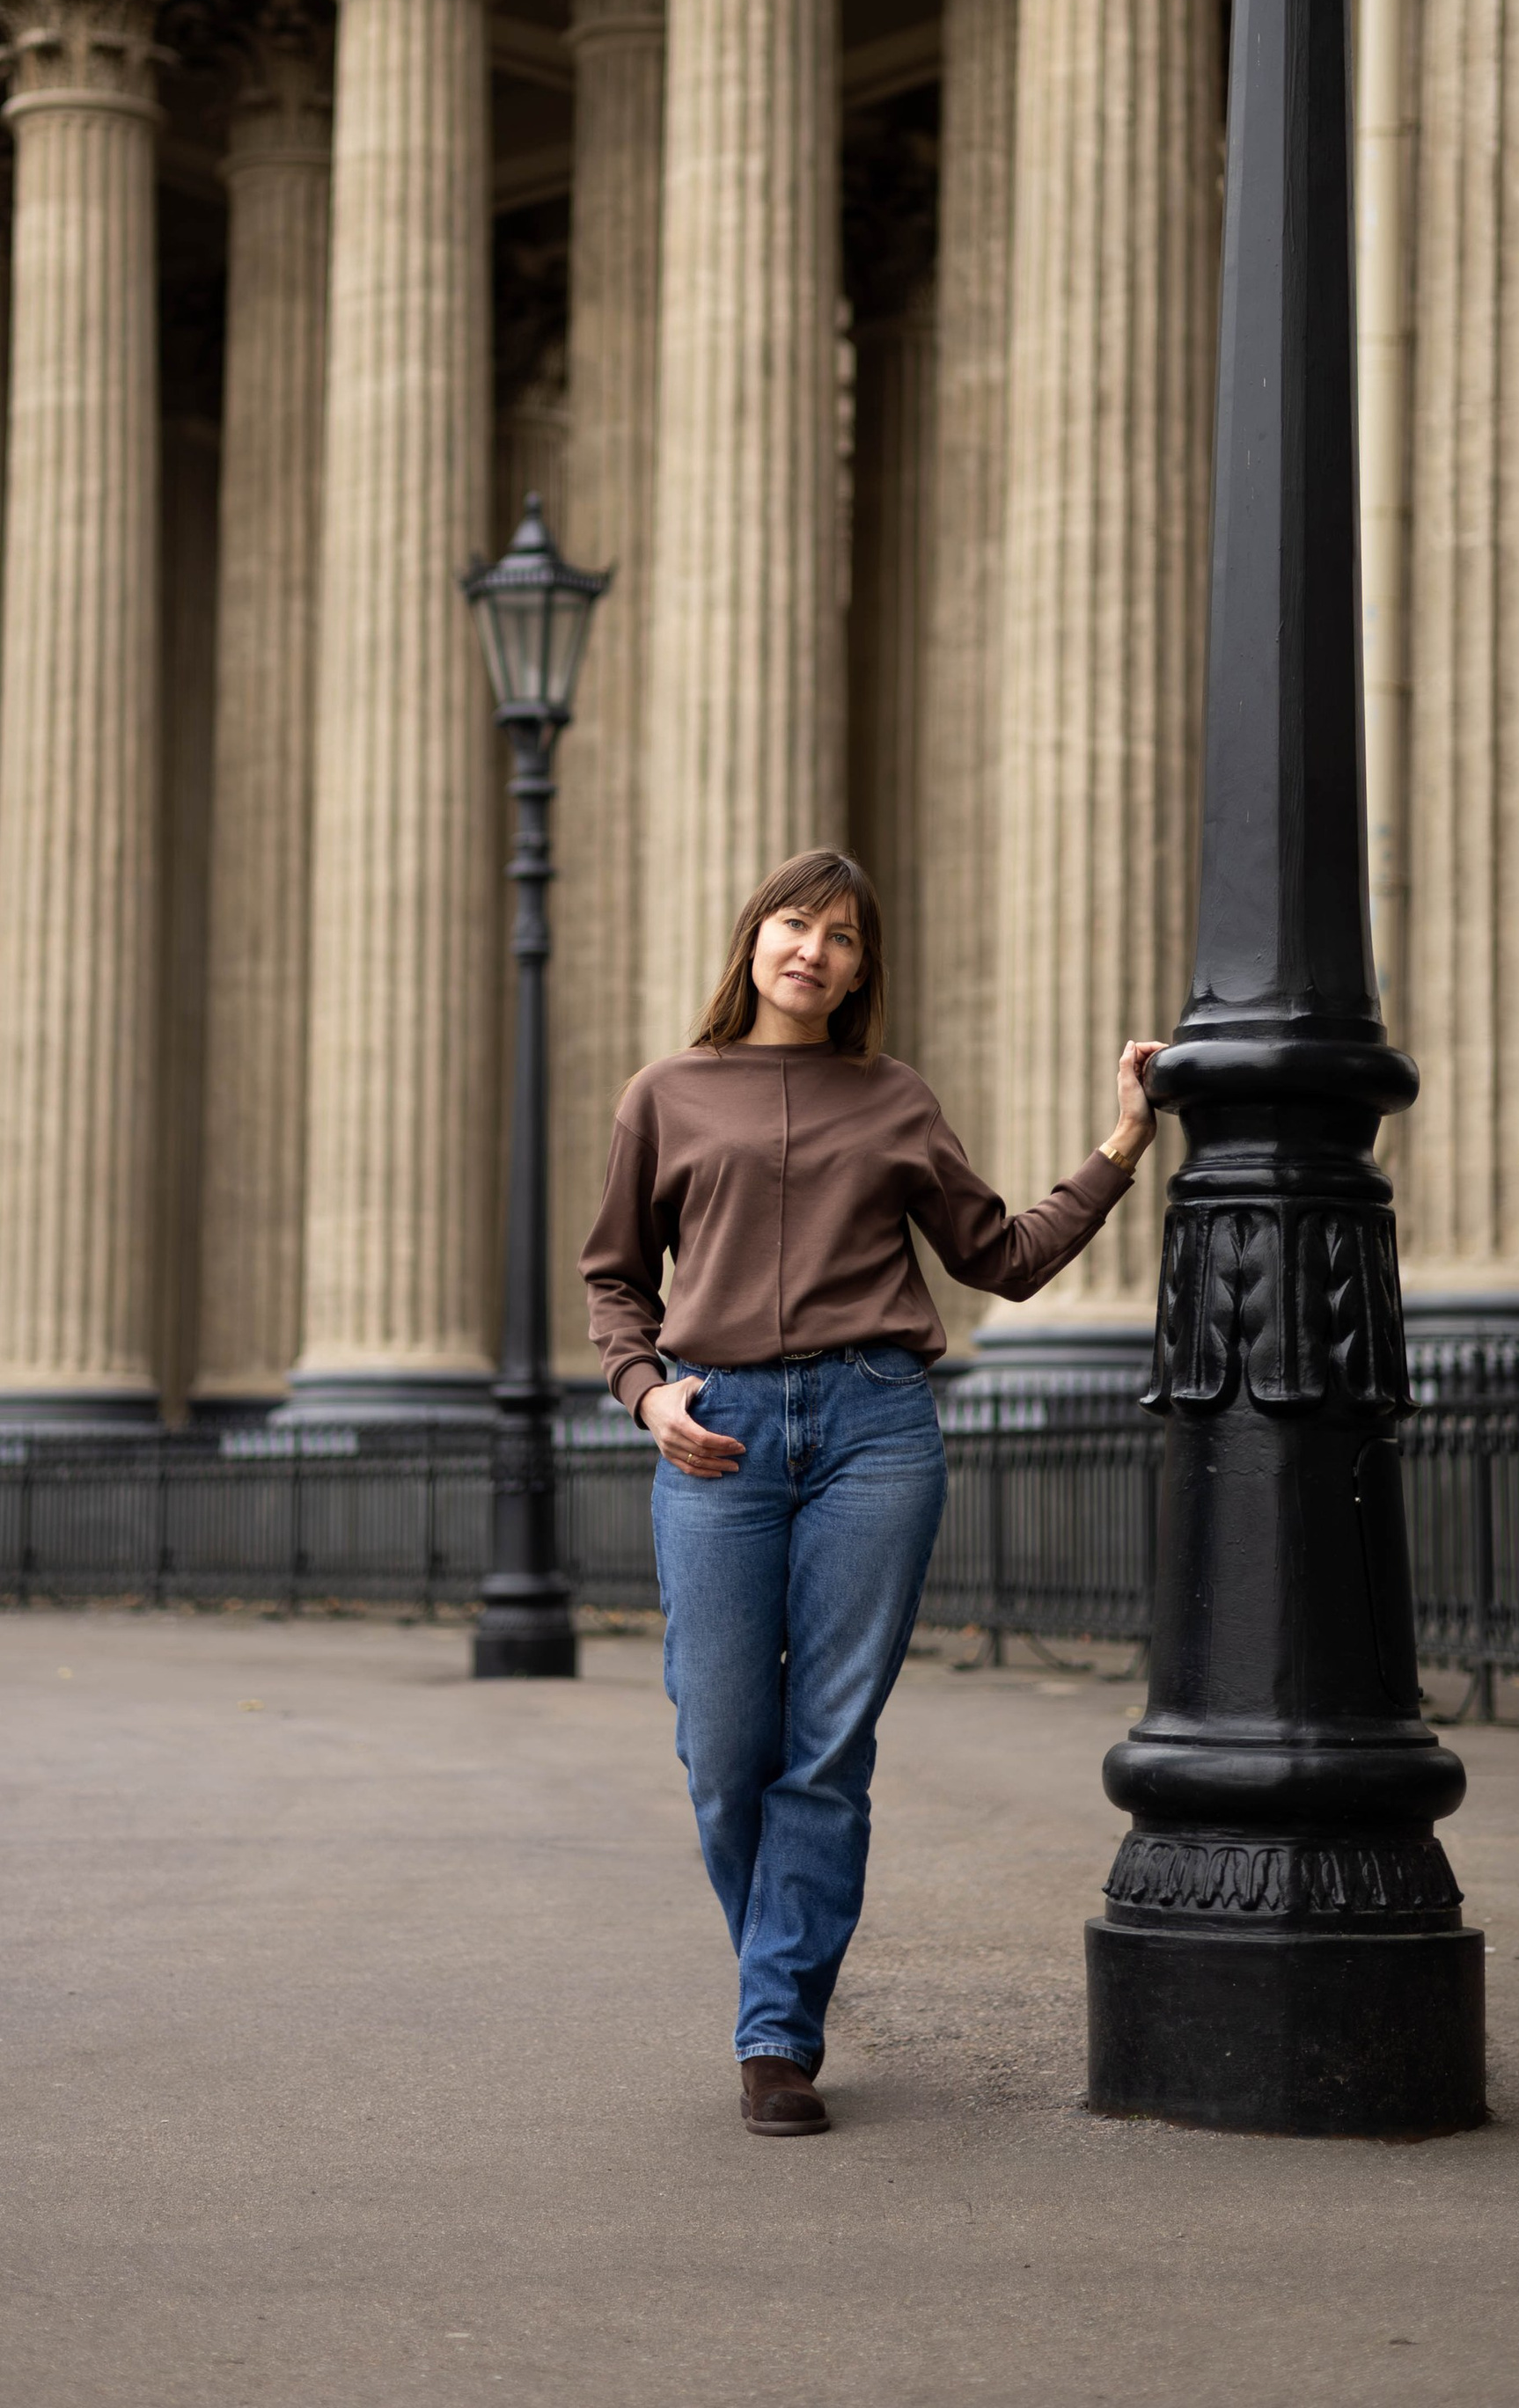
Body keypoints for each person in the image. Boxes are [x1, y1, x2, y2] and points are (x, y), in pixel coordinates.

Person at [580, 846, 1168, 2137]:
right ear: (754, 942)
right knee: (724, 1746)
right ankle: (779, 1975)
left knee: (827, 1749)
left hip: (874, 1429)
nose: (815, 951)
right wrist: (646, 1393)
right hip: (718, 1430)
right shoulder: (665, 1093)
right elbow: (616, 1275)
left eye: (842, 938)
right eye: (796, 925)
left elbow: (1001, 1257)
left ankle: (775, 2032)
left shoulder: (895, 1098)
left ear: (861, 973)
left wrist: (1124, 1141)